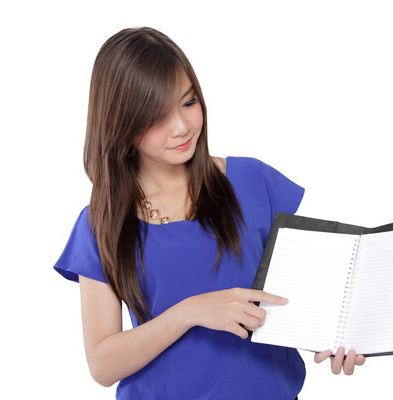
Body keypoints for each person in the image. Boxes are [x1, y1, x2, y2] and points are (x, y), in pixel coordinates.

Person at [53, 27, 365, 400]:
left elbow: (294, 301)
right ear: (121, 124)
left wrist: (330, 338)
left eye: (188, 103)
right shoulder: (101, 223)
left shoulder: (253, 182)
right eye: (157, 116)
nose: (182, 127)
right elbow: (102, 364)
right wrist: (190, 312)